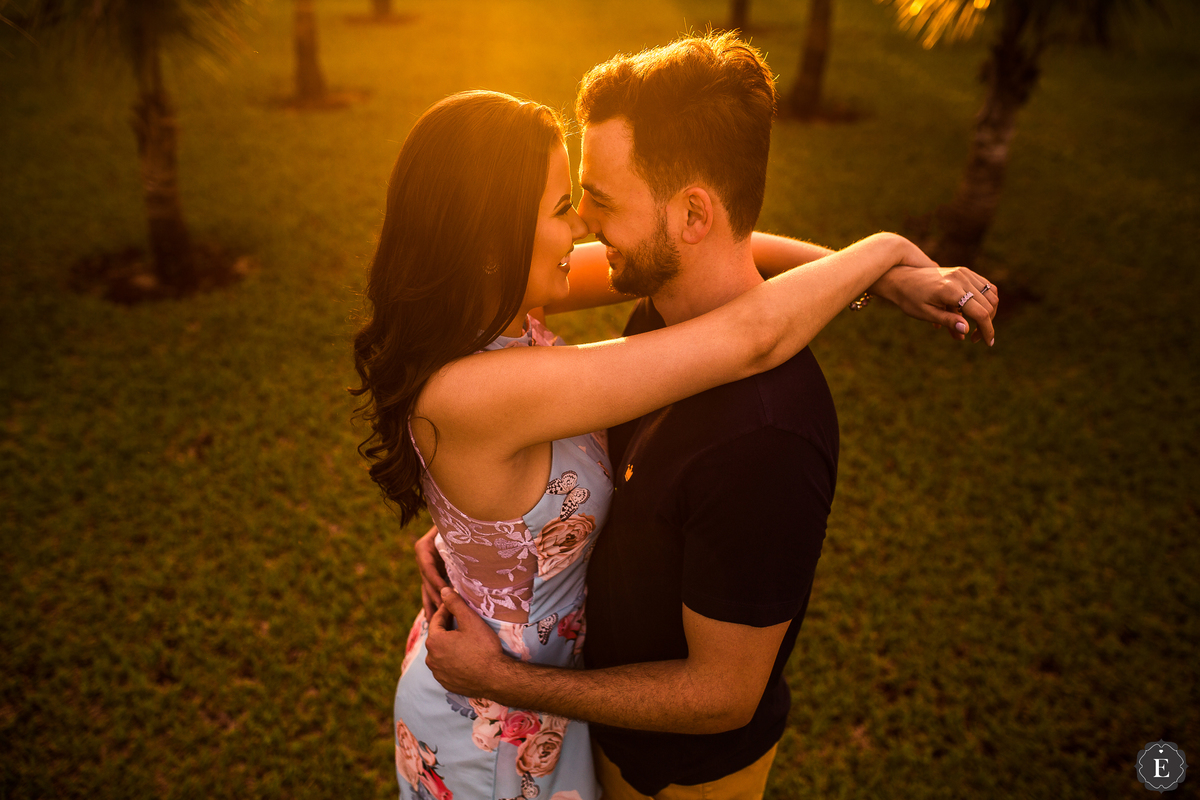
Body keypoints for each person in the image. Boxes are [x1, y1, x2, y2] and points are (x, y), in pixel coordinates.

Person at [414, 33, 998, 800]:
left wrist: (884, 260)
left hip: (676, 780)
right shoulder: (656, 305)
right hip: (572, 744)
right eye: (572, 201)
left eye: (599, 199)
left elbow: (723, 697)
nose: (585, 224)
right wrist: (483, 537)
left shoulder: (765, 437)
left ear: (693, 213)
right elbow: (739, 309)